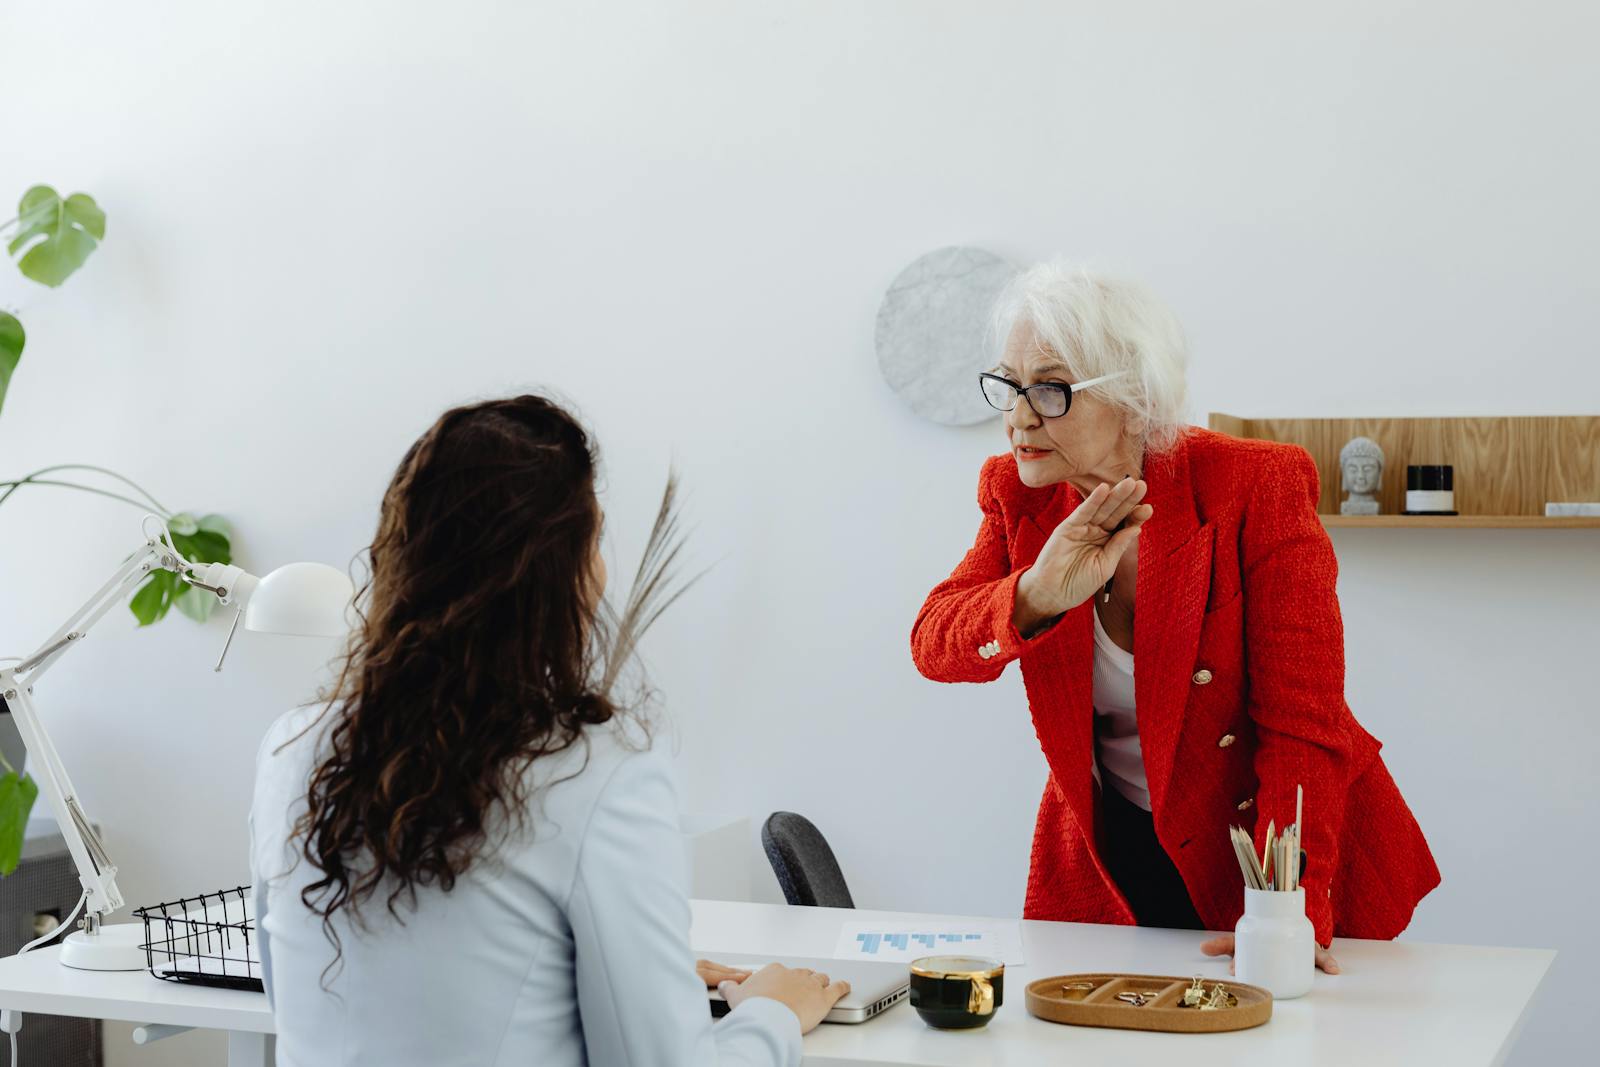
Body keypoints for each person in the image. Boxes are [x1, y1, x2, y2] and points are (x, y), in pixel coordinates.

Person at [251, 395, 847, 1066]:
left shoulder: (290, 747)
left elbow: (297, 992)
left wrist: (637, 976)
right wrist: (773, 1013)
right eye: (594, 539)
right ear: (562, 572)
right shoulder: (595, 769)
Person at [911, 264, 1439, 969]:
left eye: (1050, 388)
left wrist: (1286, 911)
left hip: (1266, 854)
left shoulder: (1255, 485)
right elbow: (933, 643)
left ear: (1134, 397)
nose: (1019, 415)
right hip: (1110, 857)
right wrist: (1035, 592)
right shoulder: (1021, 496)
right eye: (1008, 384)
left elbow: (1303, 727)